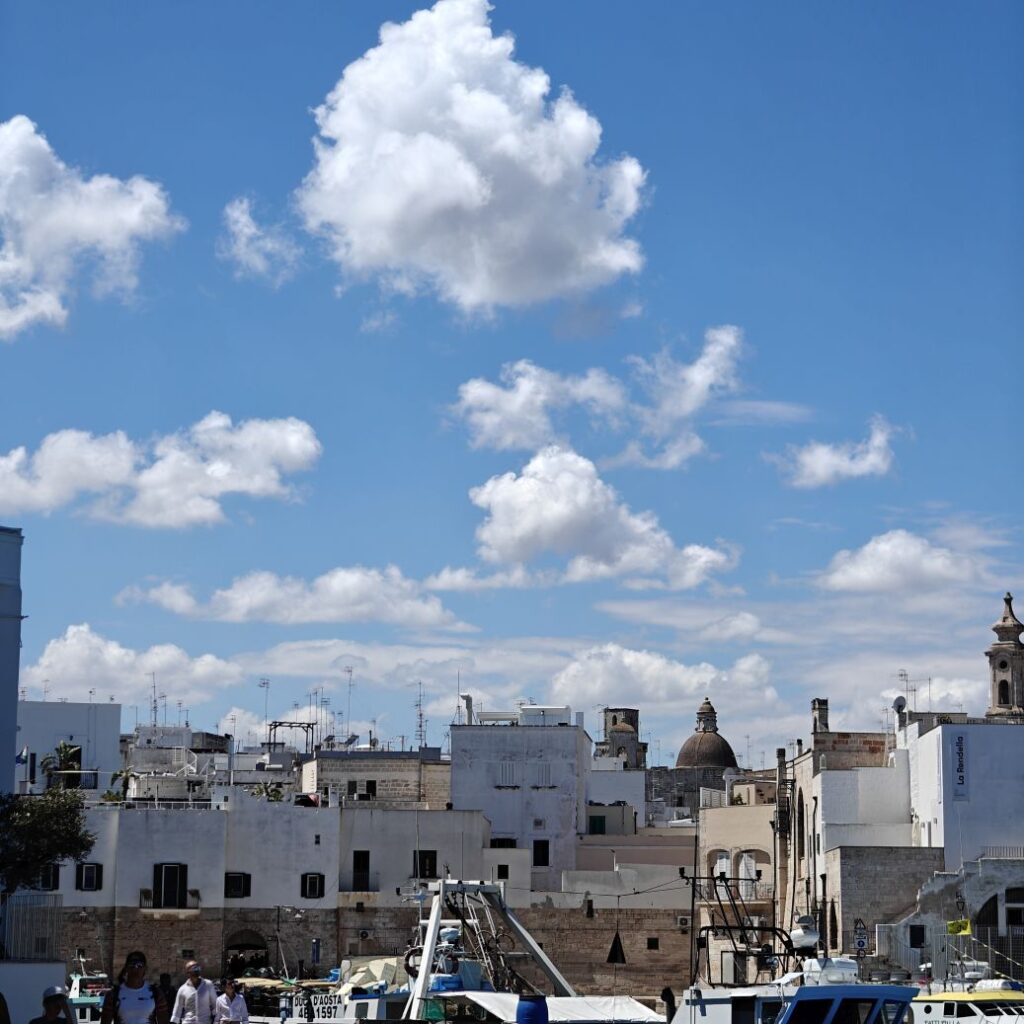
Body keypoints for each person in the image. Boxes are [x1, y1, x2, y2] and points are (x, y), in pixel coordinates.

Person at [101, 953, 169, 1024]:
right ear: (126, 968)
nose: (135, 969)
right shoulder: (113, 994)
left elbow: (164, 1021)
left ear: (145, 968)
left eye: (139, 965)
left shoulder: (156, 993)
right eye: (131, 965)